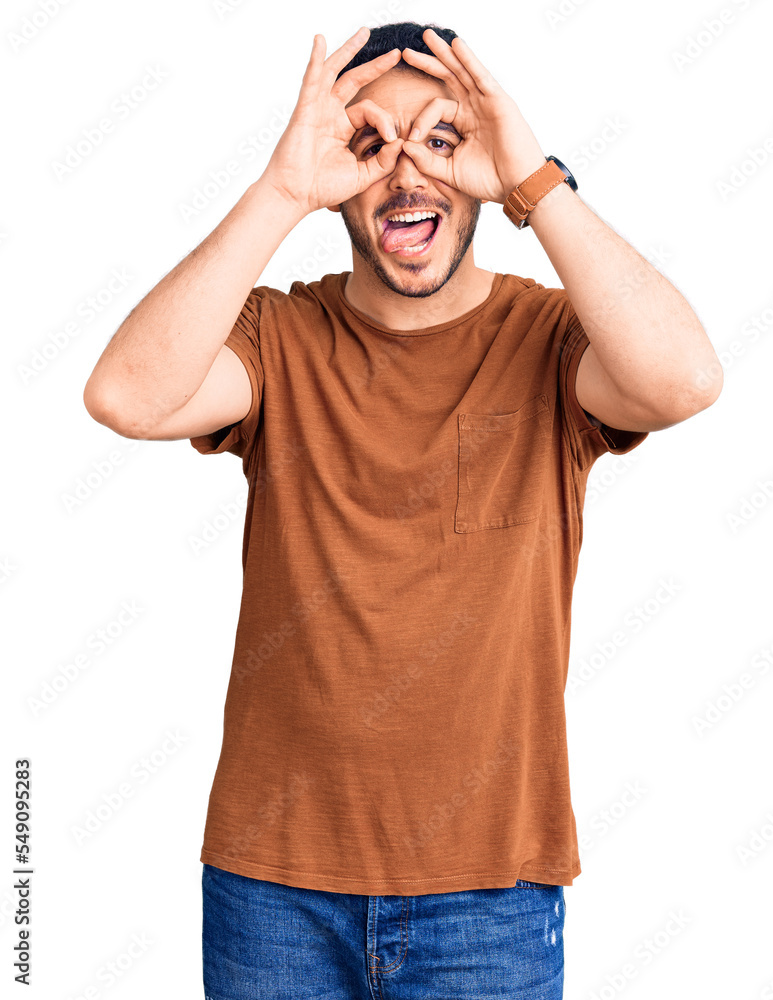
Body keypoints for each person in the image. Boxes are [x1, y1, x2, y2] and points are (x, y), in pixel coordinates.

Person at [82, 20, 723, 999]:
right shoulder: (280, 336)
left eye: (442, 137)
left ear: (482, 159)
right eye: (370, 142)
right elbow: (125, 395)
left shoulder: (551, 341)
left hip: (490, 893)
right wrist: (280, 190)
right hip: (276, 887)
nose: (407, 173)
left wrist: (533, 180)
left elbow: (684, 378)